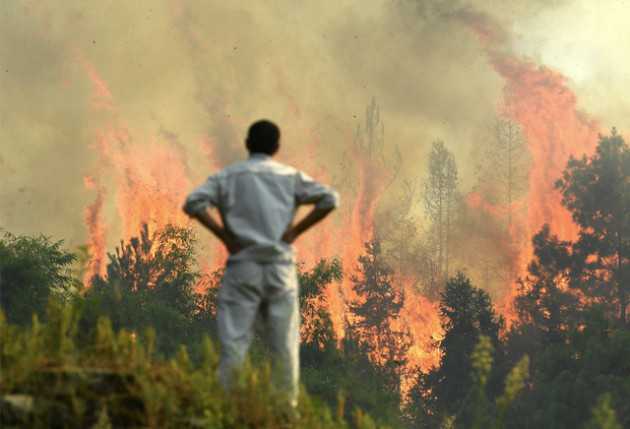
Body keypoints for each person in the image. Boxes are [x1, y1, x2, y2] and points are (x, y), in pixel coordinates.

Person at [182, 119, 338, 408]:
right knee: (285, 348)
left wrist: (224, 236)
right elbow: (329, 199)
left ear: (246, 144)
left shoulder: (228, 177)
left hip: (243, 268)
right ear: (277, 147)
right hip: (280, 270)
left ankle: (230, 412)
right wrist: (295, 231)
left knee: (235, 345)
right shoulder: (289, 176)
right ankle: (283, 416)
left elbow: (193, 203)